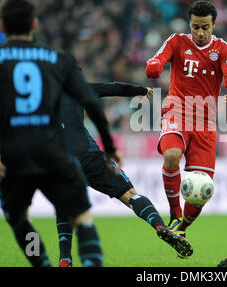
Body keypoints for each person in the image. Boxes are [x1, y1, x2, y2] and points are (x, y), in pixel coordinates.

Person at [0, 0, 115, 267]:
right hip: (53, 149)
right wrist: (110, 146)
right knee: (82, 216)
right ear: (35, 24)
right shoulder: (57, 59)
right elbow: (90, 100)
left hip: (13, 153)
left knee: (18, 219)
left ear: (2, 27)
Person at [55, 82, 193, 267]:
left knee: (65, 206)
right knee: (130, 195)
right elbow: (114, 88)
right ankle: (160, 226)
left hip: (60, 159)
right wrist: (141, 90)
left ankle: (65, 259)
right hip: (89, 155)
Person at [145, 0, 227, 257]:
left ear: (214, 24)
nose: (200, 33)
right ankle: (175, 214)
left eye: (205, 27)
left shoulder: (222, 48)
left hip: (206, 122)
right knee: (171, 156)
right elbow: (157, 58)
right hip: (176, 110)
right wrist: (153, 66)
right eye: (196, 27)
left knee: (202, 191)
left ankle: (180, 229)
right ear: (190, 24)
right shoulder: (177, 41)